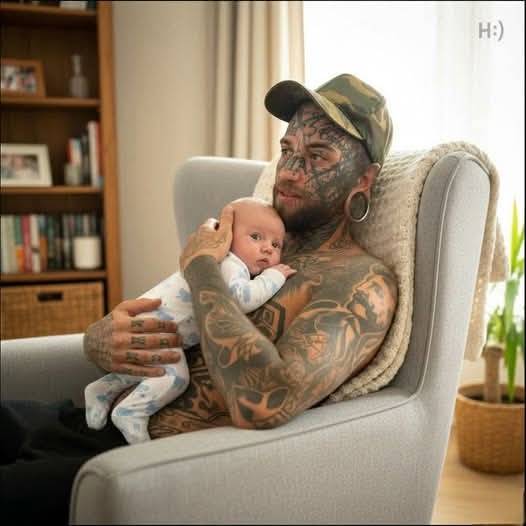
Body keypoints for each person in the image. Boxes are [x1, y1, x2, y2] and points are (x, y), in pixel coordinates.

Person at [1, 73, 398, 522]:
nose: (289, 170)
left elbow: (266, 402)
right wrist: (98, 341)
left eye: (318, 154)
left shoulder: (361, 284)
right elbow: (167, 314)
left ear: (365, 178)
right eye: (287, 149)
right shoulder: (255, 237)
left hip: (126, 464)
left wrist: (202, 267)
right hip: (81, 418)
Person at [84, 197, 296, 444]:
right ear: (225, 235)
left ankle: (103, 389)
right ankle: (131, 411)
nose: (268, 248)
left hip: (153, 324)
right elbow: (241, 299)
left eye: (276, 244)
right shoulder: (230, 263)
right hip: (157, 326)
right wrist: (273, 277)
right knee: (175, 377)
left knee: (150, 368)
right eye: (256, 237)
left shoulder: (229, 265)